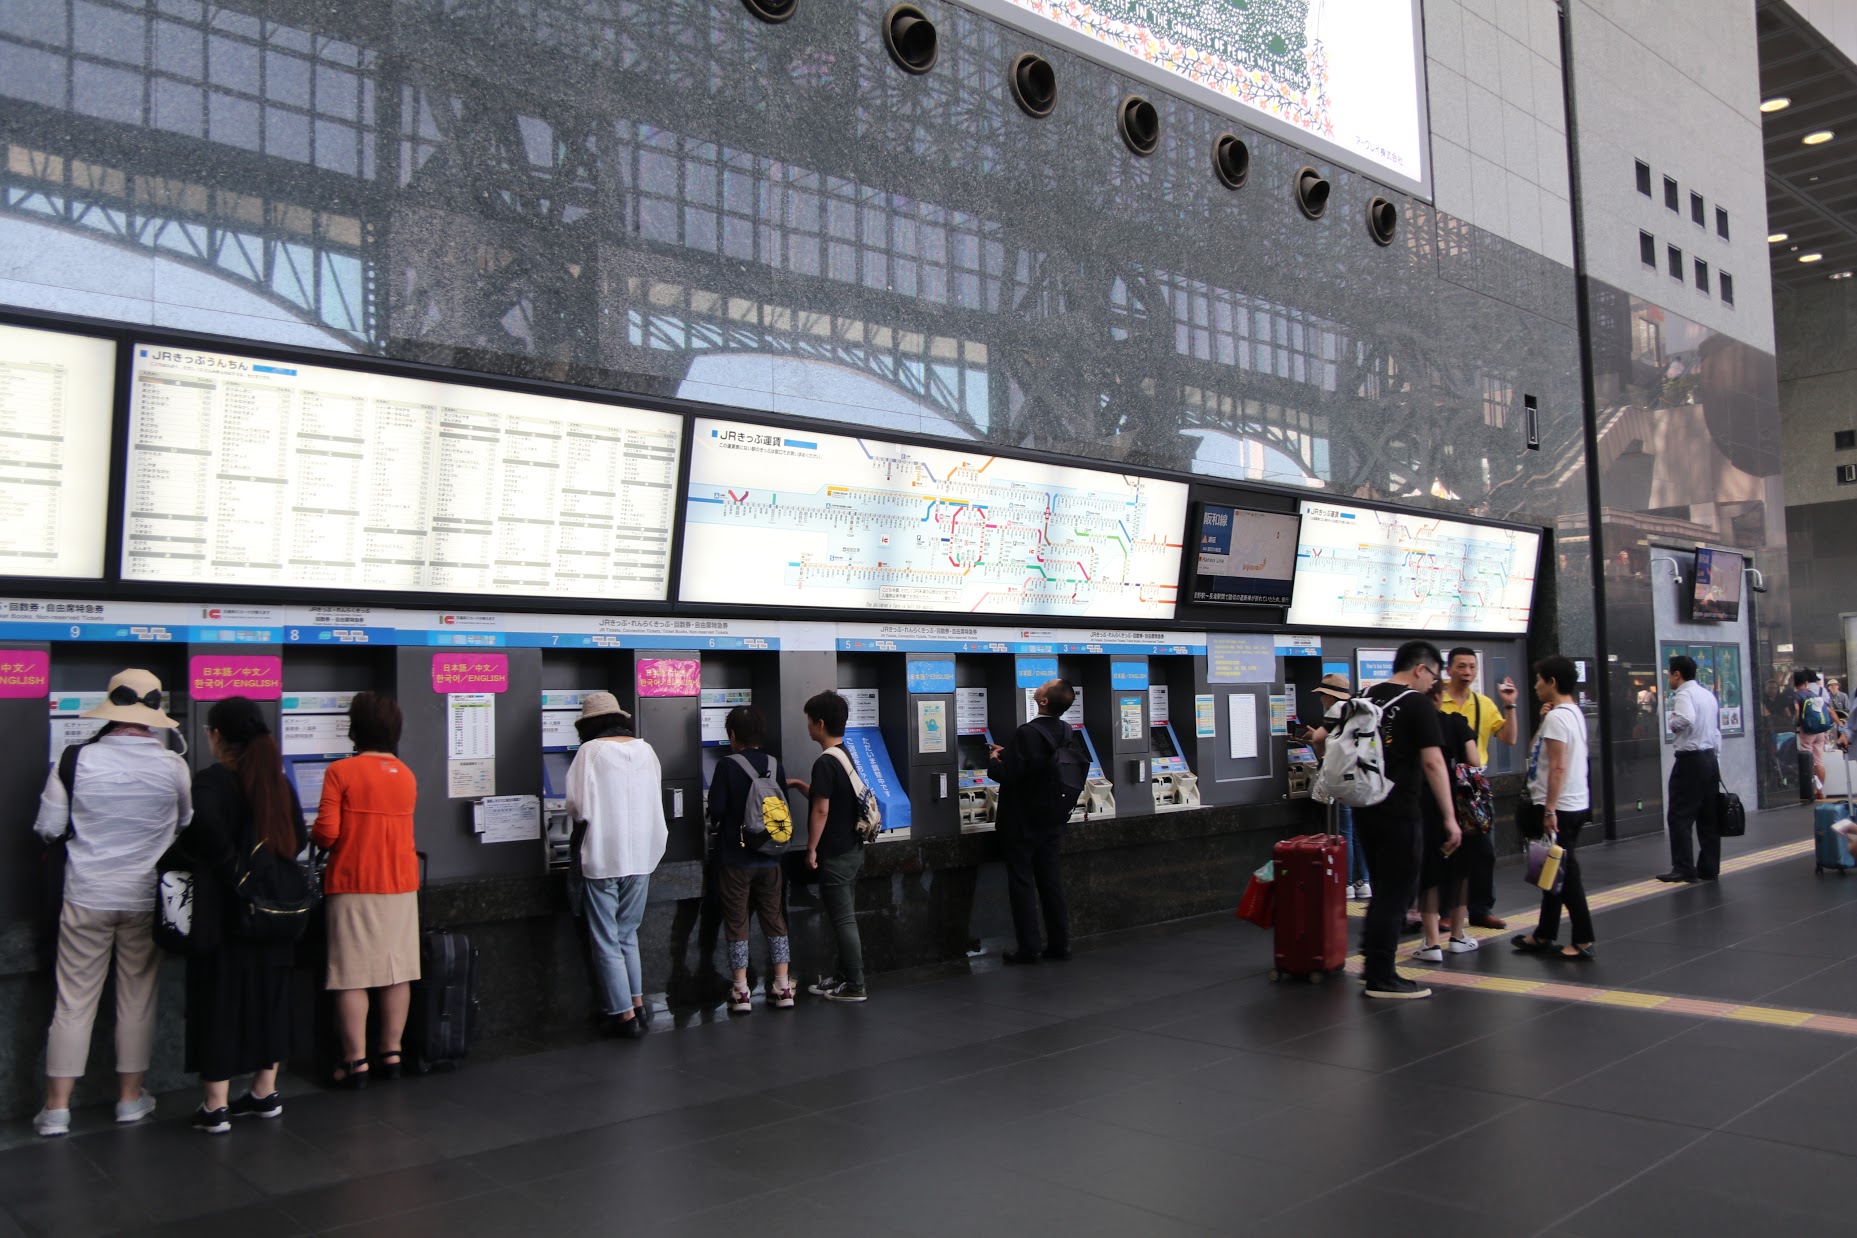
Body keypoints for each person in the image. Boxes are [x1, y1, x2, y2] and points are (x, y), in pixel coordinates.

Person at [31, 669, 191, 1138]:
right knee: (137, 1001)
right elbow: (186, 822)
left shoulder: (75, 759)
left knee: (72, 1002)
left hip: (85, 894)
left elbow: (47, 826)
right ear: (153, 713)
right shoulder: (172, 765)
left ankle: (56, 1109)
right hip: (144, 898)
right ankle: (128, 1100)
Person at [180, 697, 306, 1133]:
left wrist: (233, 872)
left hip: (225, 913)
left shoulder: (212, 783)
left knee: (220, 1001)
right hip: (275, 912)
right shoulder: (277, 782)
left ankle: (215, 1105)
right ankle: (264, 1091)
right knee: (270, 997)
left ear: (217, 736)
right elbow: (299, 837)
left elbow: (204, 836)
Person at [313, 692, 420, 1085]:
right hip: (401, 883)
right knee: (398, 971)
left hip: (354, 881)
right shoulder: (406, 774)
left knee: (352, 974)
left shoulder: (341, 772)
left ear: (355, 728)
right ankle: (391, 1055)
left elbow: (326, 832)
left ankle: (355, 1063)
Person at [1352, 641, 1460, 1000]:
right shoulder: (1416, 703)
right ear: (1421, 669)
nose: (1434, 685)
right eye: (1434, 676)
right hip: (1400, 810)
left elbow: (1322, 739)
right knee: (1396, 893)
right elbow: (1433, 763)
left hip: (1365, 807)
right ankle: (1381, 975)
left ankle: (1371, 962)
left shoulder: (1363, 696)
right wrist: (1449, 817)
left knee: (1383, 889)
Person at [565, 693, 667, 1038]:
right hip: (641, 855)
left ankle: (622, 1015)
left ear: (587, 724)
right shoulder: (646, 749)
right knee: (627, 932)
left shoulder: (589, 752)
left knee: (606, 937)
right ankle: (637, 1002)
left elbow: (577, 806)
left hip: (603, 856)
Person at [705, 706, 796, 1012]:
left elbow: (715, 810)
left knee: (736, 921)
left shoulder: (727, 766)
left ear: (732, 735)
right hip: (771, 859)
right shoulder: (774, 764)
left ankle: (741, 991)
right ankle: (783, 987)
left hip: (735, 858)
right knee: (775, 919)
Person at [1513, 657, 1597, 960]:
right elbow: (1538, 753)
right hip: (1573, 802)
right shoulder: (1570, 713)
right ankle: (1544, 933)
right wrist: (1541, 721)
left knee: (1567, 874)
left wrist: (1549, 811)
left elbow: (1558, 767)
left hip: (1560, 807)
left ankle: (1583, 937)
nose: (1535, 686)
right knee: (1554, 869)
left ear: (1551, 682)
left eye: (1539, 680)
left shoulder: (1558, 719)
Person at [987, 678, 1076, 965]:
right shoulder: (1065, 729)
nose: (1041, 685)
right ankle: (1060, 944)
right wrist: (1011, 754)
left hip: (1022, 822)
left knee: (1022, 883)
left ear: (1044, 701)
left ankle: (1030, 949)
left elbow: (1007, 775)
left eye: (1047, 684)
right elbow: (1040, 766)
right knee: (1051, 882)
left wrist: (993, 760)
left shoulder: (1027, 732)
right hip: (1052, 818)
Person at [788, 691, 868, 1002]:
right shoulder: (843, 755)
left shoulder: (824, 762)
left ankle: (856, 984)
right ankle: (845, 976)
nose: (807, 726)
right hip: (852, 848)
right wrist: (798, 786)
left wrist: (811, 849)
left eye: (809, 721)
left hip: (835, 852)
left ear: (819, 723)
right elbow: (828, 798)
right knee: (842, 916)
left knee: (843, 918)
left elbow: (822, 810)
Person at [1436, 648, 1520, 930]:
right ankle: (1445, 910)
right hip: (1442, 781)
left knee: (1484, 852)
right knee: (1446, 849)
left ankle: (1481, 909)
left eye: (1472, 666)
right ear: (1448, 670)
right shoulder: (1436, 701)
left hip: (1473, 788)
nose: (1467, 672)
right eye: (1461, 666)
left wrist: (1510, 705)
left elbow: (1509, 738)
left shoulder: (1484, 704)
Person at [1410, 676, 1481, 964]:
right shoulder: (1456, 722)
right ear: (1440, 698)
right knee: (1459, 869)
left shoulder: (1412, 728)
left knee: (1429, 870)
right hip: (1457, 800)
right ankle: (1458, 936)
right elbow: (1474, 761)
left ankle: (1431, 943)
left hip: (1422, 801)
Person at [1656, 655, 1722, 884]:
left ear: (1677, 674)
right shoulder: (1707, 695)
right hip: (1709, 759)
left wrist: (1672, 722)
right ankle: (1709, 867)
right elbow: (1715, 731)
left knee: (1679, 815)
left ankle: (1683, 867)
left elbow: (1685, 718)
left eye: (1669, 674)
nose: (1669, 679)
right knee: (1708, 817)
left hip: (1690, 761)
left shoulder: (1683, 693)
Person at [1304, 673, 1370, 899]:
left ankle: (1346, 884)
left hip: (1342, 778)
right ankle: (1363, 881)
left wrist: (1320, 753)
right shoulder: (1359, 709)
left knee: (1343, 832)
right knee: (1358, 832)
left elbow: (1319, 740)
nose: (1321, 699)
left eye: (1322, 695)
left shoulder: (1336, 710)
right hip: (1361, 778)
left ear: (1329, 696)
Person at [1794, 669, 1832, 803]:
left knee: (1807, 761)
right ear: (1806, 683)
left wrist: (1795, 723)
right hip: (1819, 731)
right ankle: (1820, 791)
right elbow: (1829, 710)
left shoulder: (1797, 695)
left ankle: (1809, 790)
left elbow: (1797, 710)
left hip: (1806, 731)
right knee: (1819, 762)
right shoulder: (1814, 694)